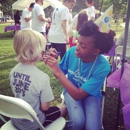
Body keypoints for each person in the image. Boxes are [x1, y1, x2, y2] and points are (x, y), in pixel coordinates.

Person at [43, 21, 114, 130]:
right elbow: (59, 74)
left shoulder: (103, 66)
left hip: (91, 95)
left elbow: (79, 95)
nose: (77, 47)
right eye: (78, 42)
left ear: (96, 51)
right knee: (77, 122)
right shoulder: (72, 52)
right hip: (70, 92)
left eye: (83, 46)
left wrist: (58, 71)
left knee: (93, 128)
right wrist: (55, 65)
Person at [9, 30, 67, 130]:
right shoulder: (42, 78)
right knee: (64, 108)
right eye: (43, 48)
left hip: (16, 119)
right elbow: (45, 108)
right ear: (35, 51)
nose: (44, 50)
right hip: (34, 123)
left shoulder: (13, 71)